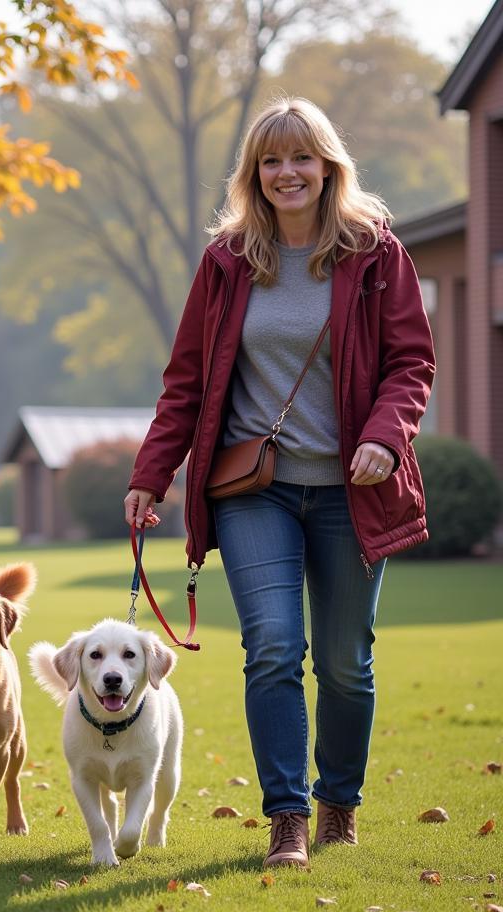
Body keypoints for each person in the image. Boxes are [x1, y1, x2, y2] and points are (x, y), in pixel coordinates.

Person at [124, 97, 435, 870]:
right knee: (271, 647)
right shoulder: (228, 262)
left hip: (351, 492)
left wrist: (384, 438)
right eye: (271, 161)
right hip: (252, 491)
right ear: (253, 174)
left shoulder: (374, 253)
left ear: (329, 165)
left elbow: (411, 363)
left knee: (344, 660)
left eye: (301, 158)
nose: (286, 173)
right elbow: (187, 381)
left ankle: (339, 804)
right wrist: (150, 474)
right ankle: (287, 818)